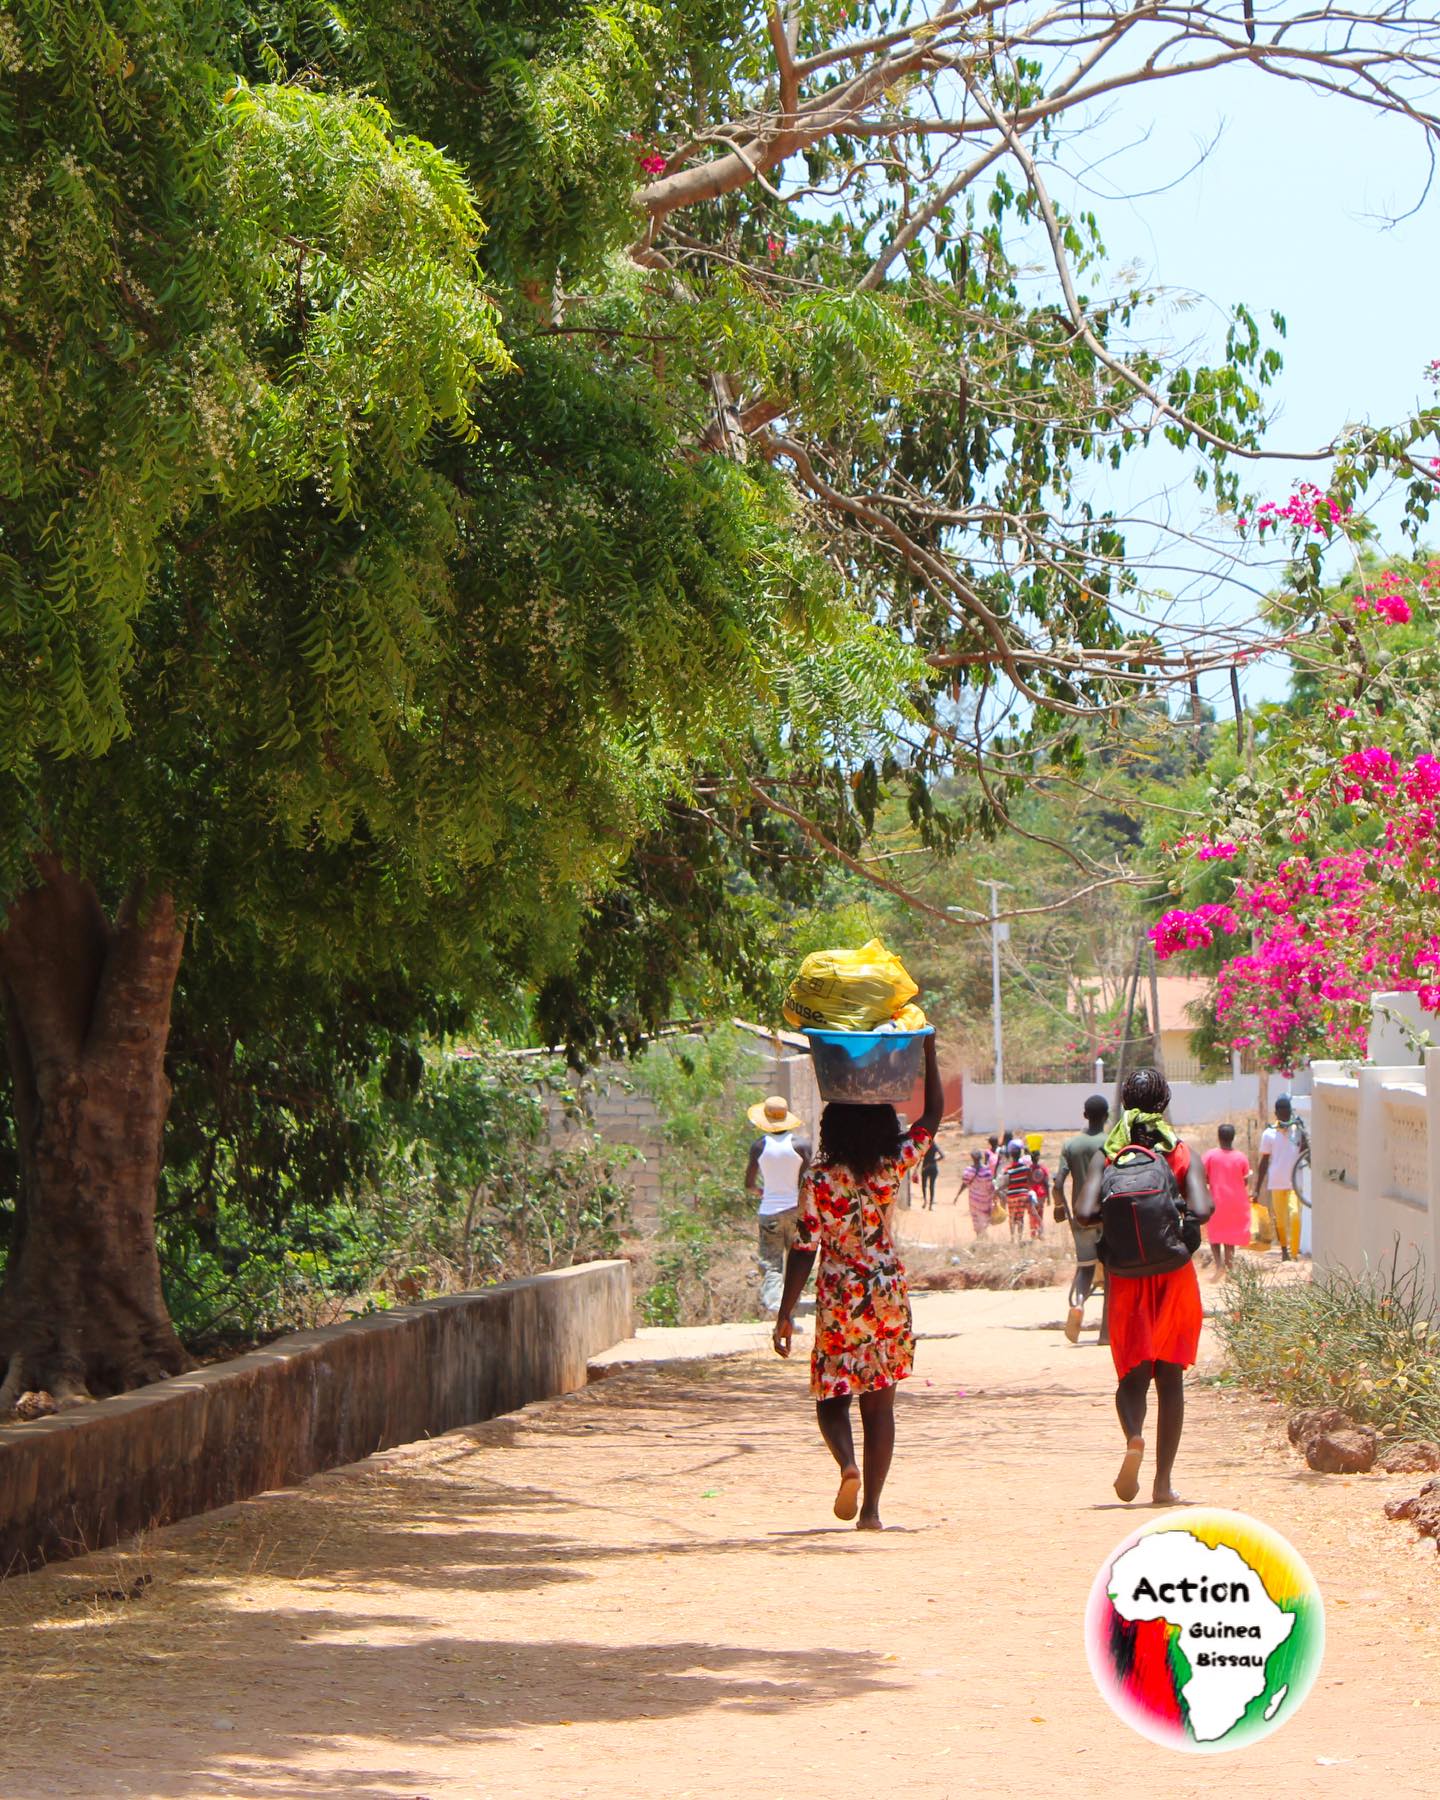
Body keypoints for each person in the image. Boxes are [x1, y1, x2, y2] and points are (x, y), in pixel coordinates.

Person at [772, 1033, 945, 1531]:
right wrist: (928, 1053)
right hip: (886, 1292)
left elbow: (804, 1247)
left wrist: (785, 1313)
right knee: (880, 1402)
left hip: (839, 1293)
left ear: (831, 1129)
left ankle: (847, 1464)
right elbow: (932, 1116)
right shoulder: (892, 1165)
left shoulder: (819, 1178)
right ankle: (871, 1511)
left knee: (832, 1394)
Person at [1075, 1067, 1213, 1506]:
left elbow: (1083, 1212)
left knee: (1132, 1375)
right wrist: (1174, 1211)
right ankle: (1162, 1483)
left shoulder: (1109, 1156)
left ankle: (1134, 1436)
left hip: (1126, 1278)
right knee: (1169, 1378)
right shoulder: (1181, 1153)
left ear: (1123, 1103)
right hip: (1173, 1275)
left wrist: (1120, 1218)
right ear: (1164, 1103)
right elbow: (1204, 1209)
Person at [744, 1095, 812, 1315]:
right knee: (796, 1261)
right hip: (796, 1211)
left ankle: (774, 1304)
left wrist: (761, 1191)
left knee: (771, 1263)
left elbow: (749, 1184)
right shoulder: (801, 1146)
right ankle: (789, 1312)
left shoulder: (759, 1146)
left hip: (770, 1212)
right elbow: (807, 1181)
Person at [1052, 1094, 1110, 1343]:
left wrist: (1060, 1207)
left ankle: (1078, 1304)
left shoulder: (1071, 1145)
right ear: (1107, 1116)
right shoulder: (1112, 1143)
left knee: (1085, 1268)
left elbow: (1057, 1184)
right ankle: (1106, 1332)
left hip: (1081, 1216)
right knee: (1111, 1273)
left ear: (1085, 1115)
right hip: (1109, 1216)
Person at [1254, 1095, 1307, 1262]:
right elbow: (1264, 1162)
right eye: (1282, 1113)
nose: (1285, 1116)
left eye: (1287, 1113)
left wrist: (1304, 1134)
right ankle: (1284, 1249)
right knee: (1281, 1221)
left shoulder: (1297, 1132)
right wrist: (1256, 1189)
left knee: (1295, 1215)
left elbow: (1306, 1154)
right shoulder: (1269, 1133)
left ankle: (1294, 1253)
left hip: (1295, 1183)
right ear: (1276, 1113)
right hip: (1276, 1183)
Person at [1202, 1123, 1252, 1280]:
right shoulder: (1241, 1157)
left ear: (1219, 1137)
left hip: (1216, 1200)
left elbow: (1203, 1175)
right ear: (1233, 1137)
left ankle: (1219, 1265)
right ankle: (1230, 1268)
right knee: (1230, 1236)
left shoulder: (1210, 1156)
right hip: (1235, 1202)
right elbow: (1245, 1180)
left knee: (1214, 1234)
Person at [958, 1147, 996, 1238]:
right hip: (985, 1200)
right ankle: (983, 1237)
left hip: (974, 1201)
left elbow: (964, 1183)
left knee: (976, 1219)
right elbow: (991, 1185)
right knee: (984, 1219)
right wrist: (993, 1196)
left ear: (972, 1158)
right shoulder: (987, 1170)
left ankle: (980, 1237)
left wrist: (958, 1194)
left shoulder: (968, 1170)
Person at [999, 1141, 1032, 1243]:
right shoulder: (1025, 1168)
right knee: (1020, 1218)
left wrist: (998, 1189)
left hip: (1012, 1196)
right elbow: (1029, 1181)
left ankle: (1012, 1238)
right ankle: (1020, 1238)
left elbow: (1006, 1183)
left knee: (1012, 1217)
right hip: (1023, 1195)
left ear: (1011, 1156)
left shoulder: (1008, 1170)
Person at [1024, 1133, 1049, 1238]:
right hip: (1041, 1194)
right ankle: (1040, 1232)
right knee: (1040, 1213)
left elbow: (1027, 1182)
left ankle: (1033, 1233)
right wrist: (1049, 1197)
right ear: (1038, 1158)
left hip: (1031, 1195)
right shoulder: (1043, 1169)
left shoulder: (1028, 1169)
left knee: (1032, 1214)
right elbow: (1046, 1183)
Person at [919, 1137, 945, 1209]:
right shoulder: (935, 1146)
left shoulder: (925, 1146)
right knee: (932, 1186)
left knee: (924, 1185)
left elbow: (920, 1157)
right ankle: (930, 1205)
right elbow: (942, 1156)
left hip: (925, 1167)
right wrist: (934, 1160)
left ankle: (925, 1201)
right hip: (933, 1167)